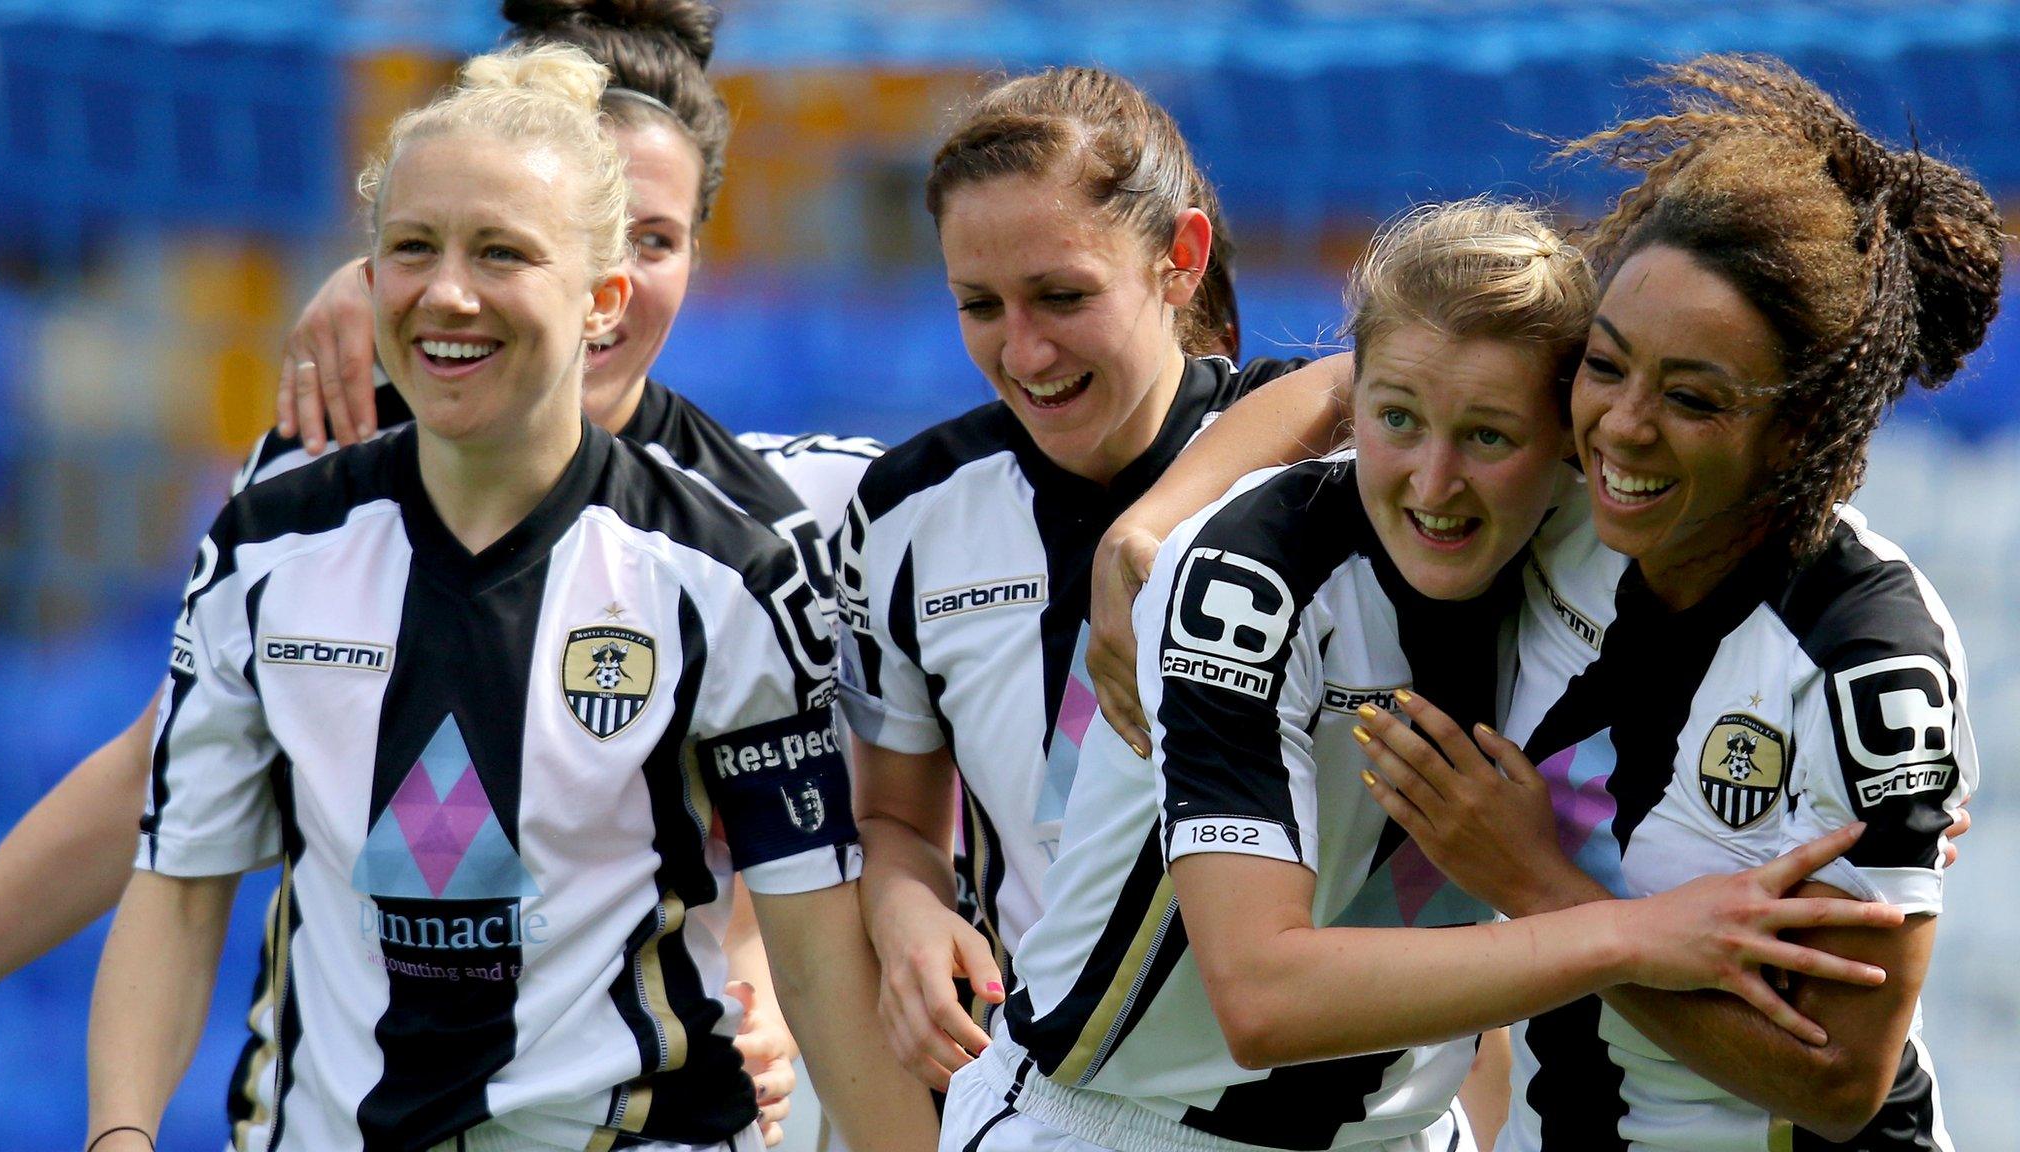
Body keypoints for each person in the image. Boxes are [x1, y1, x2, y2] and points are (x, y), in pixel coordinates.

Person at [0, 1, 860, 1144]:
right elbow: (167, 779)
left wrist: (763, 983)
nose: (622, 283)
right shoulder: (328, 464)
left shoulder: (759, 527)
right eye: (441, 242)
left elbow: (832, 813)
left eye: (655, 239)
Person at [936, 196, 1907, 1152]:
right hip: (1112, 1128)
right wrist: (1625, 932)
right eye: (1396, 421)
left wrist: (1877, 768)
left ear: (1566, 439)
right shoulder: (1250, 577)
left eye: (1487, 437)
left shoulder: (1592, 542)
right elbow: (1262, 999)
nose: (1432, 484)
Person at [1347, 55, 2000, 1150]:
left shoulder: (1863, 656)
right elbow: (1374, 373)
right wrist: (1149, 527)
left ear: (1800, 431)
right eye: (1605, 366)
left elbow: (1840, 1081)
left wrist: (1532, 882)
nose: (1620, 428)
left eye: (1692, 398)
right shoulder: (1550, 505)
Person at [836, 65, 1348, 1094]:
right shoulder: (905, 514)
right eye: (978, 305)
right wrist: (904, 916)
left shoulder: (1325, 478)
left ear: (1180, 259)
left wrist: (1148, 527)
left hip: (1330, 1098)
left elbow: (1440, 350)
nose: (1022, 350)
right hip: (1055, 1098)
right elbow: (893, 817)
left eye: (1062, 296)